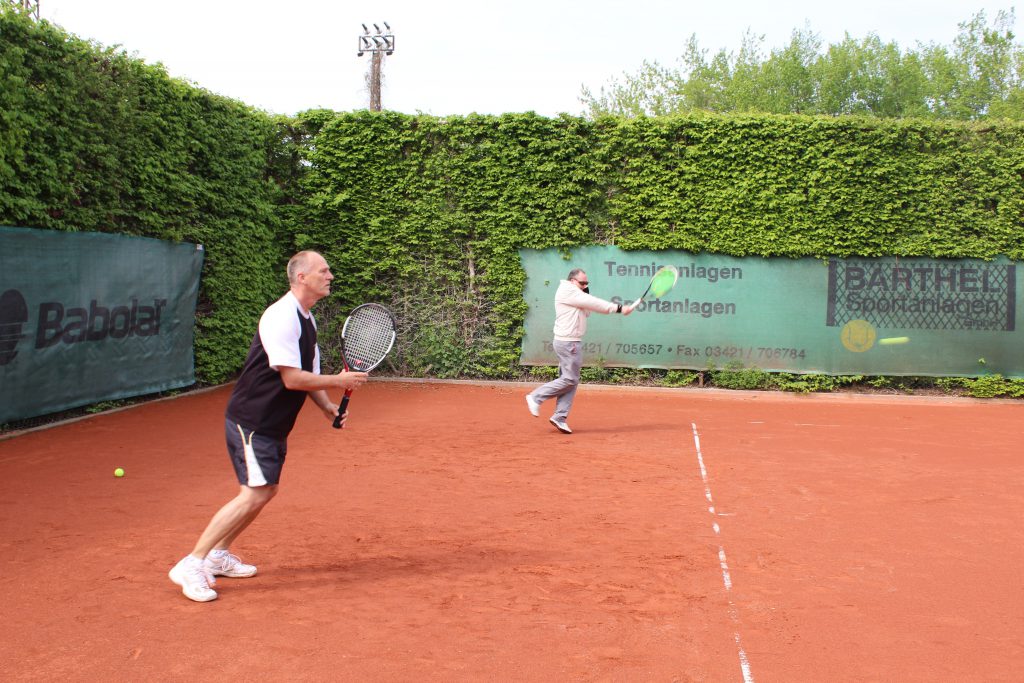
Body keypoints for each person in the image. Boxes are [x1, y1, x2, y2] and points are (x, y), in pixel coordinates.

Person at [168, 251, 368, 602]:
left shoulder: (307, 319)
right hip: (253, 420)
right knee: (255, 492)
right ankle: (192, 562)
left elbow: (309, 371)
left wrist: (326, 407)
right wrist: (339, 380)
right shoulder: (281, 317)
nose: (331, 275)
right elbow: (292, 379)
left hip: (274, 423)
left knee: (266, 490)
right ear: (302, 277)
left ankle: (217, 556)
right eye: (324, 270)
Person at [525, 268, 635, 434]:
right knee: (570, 379)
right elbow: (595, 304)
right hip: (569, 343)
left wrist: (586, 294)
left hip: (568, 341)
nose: (584, 285)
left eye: (586, 283)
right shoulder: (567, 290)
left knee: (570, 379)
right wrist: (619, 308)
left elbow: (588, 311)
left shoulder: (576, 294)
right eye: (582, 283)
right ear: (572, 281)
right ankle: (536, 397)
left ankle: (559, 417)